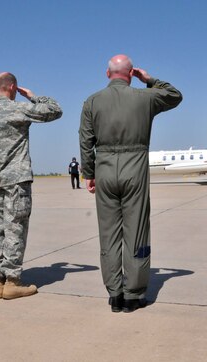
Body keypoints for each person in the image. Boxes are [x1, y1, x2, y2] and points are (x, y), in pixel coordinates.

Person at [80, 55, 182, 313]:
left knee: (109, 234)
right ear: (131, 73)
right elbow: (174, 95)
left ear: (107, 73)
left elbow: (85, 141)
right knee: (135, 231)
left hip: (104, 167)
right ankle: (133, 295)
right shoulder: (144, 97)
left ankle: (115, 294)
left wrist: (89, 172)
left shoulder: (92, 102)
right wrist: (149, 80)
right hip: (134, 167)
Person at [0, 72, 62, 300]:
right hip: (16, 181)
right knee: (15, 229)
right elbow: (54, 110)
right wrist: (33, 96)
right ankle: (12, 281)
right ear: (12, 87)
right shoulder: (17, 108)